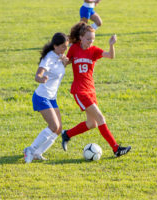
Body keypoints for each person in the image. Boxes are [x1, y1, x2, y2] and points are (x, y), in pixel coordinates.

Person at [61, 22, 131, 157]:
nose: (90, 42)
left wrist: (111, 44)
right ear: (81, 37)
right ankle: (116, 149)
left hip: (91, 90)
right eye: (88, 39)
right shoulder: (74, 48)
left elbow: (110, 56)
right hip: (79, 91)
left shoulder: (94, 50)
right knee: (100, 117)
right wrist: (63, 59)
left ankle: (67, 134)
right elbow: (66, 62)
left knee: (91, 123)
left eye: (93, 39)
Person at [23, 32, 69, 163]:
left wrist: (65, 62)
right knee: (53, 125)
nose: (65, 49)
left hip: (51, 98)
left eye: (66, 46)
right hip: (41, 97)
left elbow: (58, 69)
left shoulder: (59, 56)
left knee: (58, 129)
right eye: (62, 47)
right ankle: (30, 150)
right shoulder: (48, 58)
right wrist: (41, 78)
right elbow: (38, 74)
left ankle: (38, 153)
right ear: (55, 46)